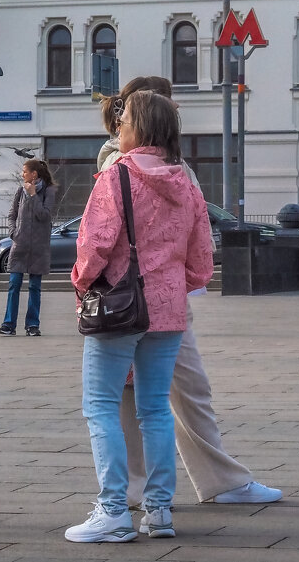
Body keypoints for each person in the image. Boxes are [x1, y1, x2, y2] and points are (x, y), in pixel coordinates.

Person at [99, 76, 282, 508]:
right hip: (150, 297)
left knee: (153, 391)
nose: (177, 108)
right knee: (164, 391)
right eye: (169, 102)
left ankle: (150, 487)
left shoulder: (131, 160)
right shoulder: (128, 162)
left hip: (139, 295)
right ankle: (189, 485)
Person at [65, 90, 214, 543]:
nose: (118, 125)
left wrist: (81, 282)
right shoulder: (186, 184)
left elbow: (95, 245)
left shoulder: (116, 177)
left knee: (101, 405)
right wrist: (171, 284)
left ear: (142, 128)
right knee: (154, 409)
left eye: (124, 118)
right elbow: (202, 261)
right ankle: (160, 512)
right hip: (168, 312)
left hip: (119, 307)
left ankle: (113, 509)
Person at [0, 159, 56, 336]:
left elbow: (44, 215)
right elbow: (12, 214)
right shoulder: (20, 191)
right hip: (20, 245)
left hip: (39, 247)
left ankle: (32, 325)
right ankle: (9, 324)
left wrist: (33, 195)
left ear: (34, 174)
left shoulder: (48, 191)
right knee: (14, 284)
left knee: (34, 287)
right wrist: (13, 233)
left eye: (25, 171)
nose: (22, 175)